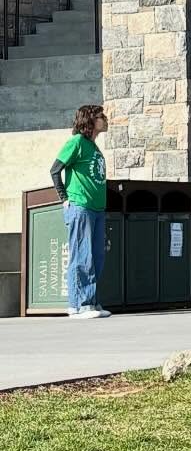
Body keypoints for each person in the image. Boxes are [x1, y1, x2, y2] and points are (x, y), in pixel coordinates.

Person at [50, 104, 110, 319]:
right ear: (90, 120)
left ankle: (91, 303)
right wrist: (65, 199)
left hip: (97, 209)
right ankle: (80, 305)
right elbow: (55, 170)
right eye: (101, 116)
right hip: (81, 207)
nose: (105, 119)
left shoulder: (93, 146)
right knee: (82, 256)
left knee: (97, 257)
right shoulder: (76, 142)